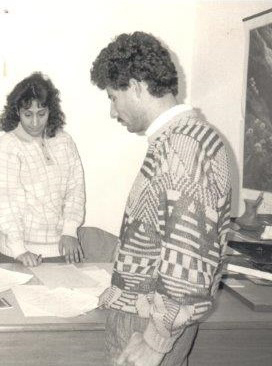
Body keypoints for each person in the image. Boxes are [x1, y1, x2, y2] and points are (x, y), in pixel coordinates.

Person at [90, 31, 232, 366]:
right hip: (144, 315)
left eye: (113, 97)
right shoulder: (177, 141)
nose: (113, 110)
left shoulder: (185, 147)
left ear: (136, 86)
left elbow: (189, 259)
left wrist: (155, 341)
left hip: (147, 327)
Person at [0, 72, 86, 267]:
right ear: (17, 111)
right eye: (28, 115)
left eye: (41, 114)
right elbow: (8, 202)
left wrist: (69, 231)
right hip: (17, 253)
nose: (35, 123)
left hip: (60, 248)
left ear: (51, 111)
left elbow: (75, 189)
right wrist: (19, 249)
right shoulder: (9, 145)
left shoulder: (64, 141)